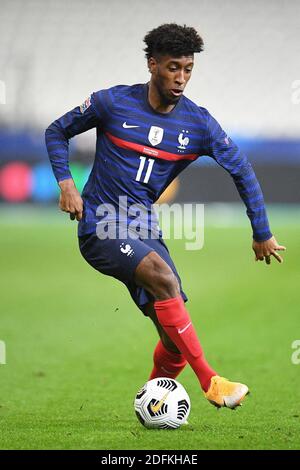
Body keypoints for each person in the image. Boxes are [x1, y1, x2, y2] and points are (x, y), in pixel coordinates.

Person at [45, 23, 285, 410]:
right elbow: (57, 131)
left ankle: (154, 401)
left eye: (188, 69)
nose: (181, 78)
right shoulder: (112, 103)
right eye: (173, 67)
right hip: (100, 222)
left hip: (144, 227)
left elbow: (241, 169)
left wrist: (262, 232)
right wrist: (67, 183)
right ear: (152, 65)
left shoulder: (198, 123)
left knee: (173, 335)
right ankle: (212, 382)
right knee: (162, 275)